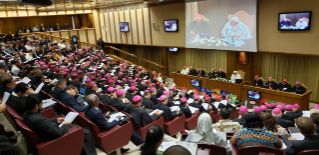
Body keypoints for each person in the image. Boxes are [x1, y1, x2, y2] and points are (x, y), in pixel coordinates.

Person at [23, 94, 97, 155]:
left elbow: (43, 124)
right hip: (53, 140)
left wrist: (56, 120)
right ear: (36, 106)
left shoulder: (26, 114)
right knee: (85, 132)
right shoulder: (38, 119)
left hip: (48, 132)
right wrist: (65, 124)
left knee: (77, 128)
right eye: (41, 103)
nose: (43, 105)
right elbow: (58, 133)